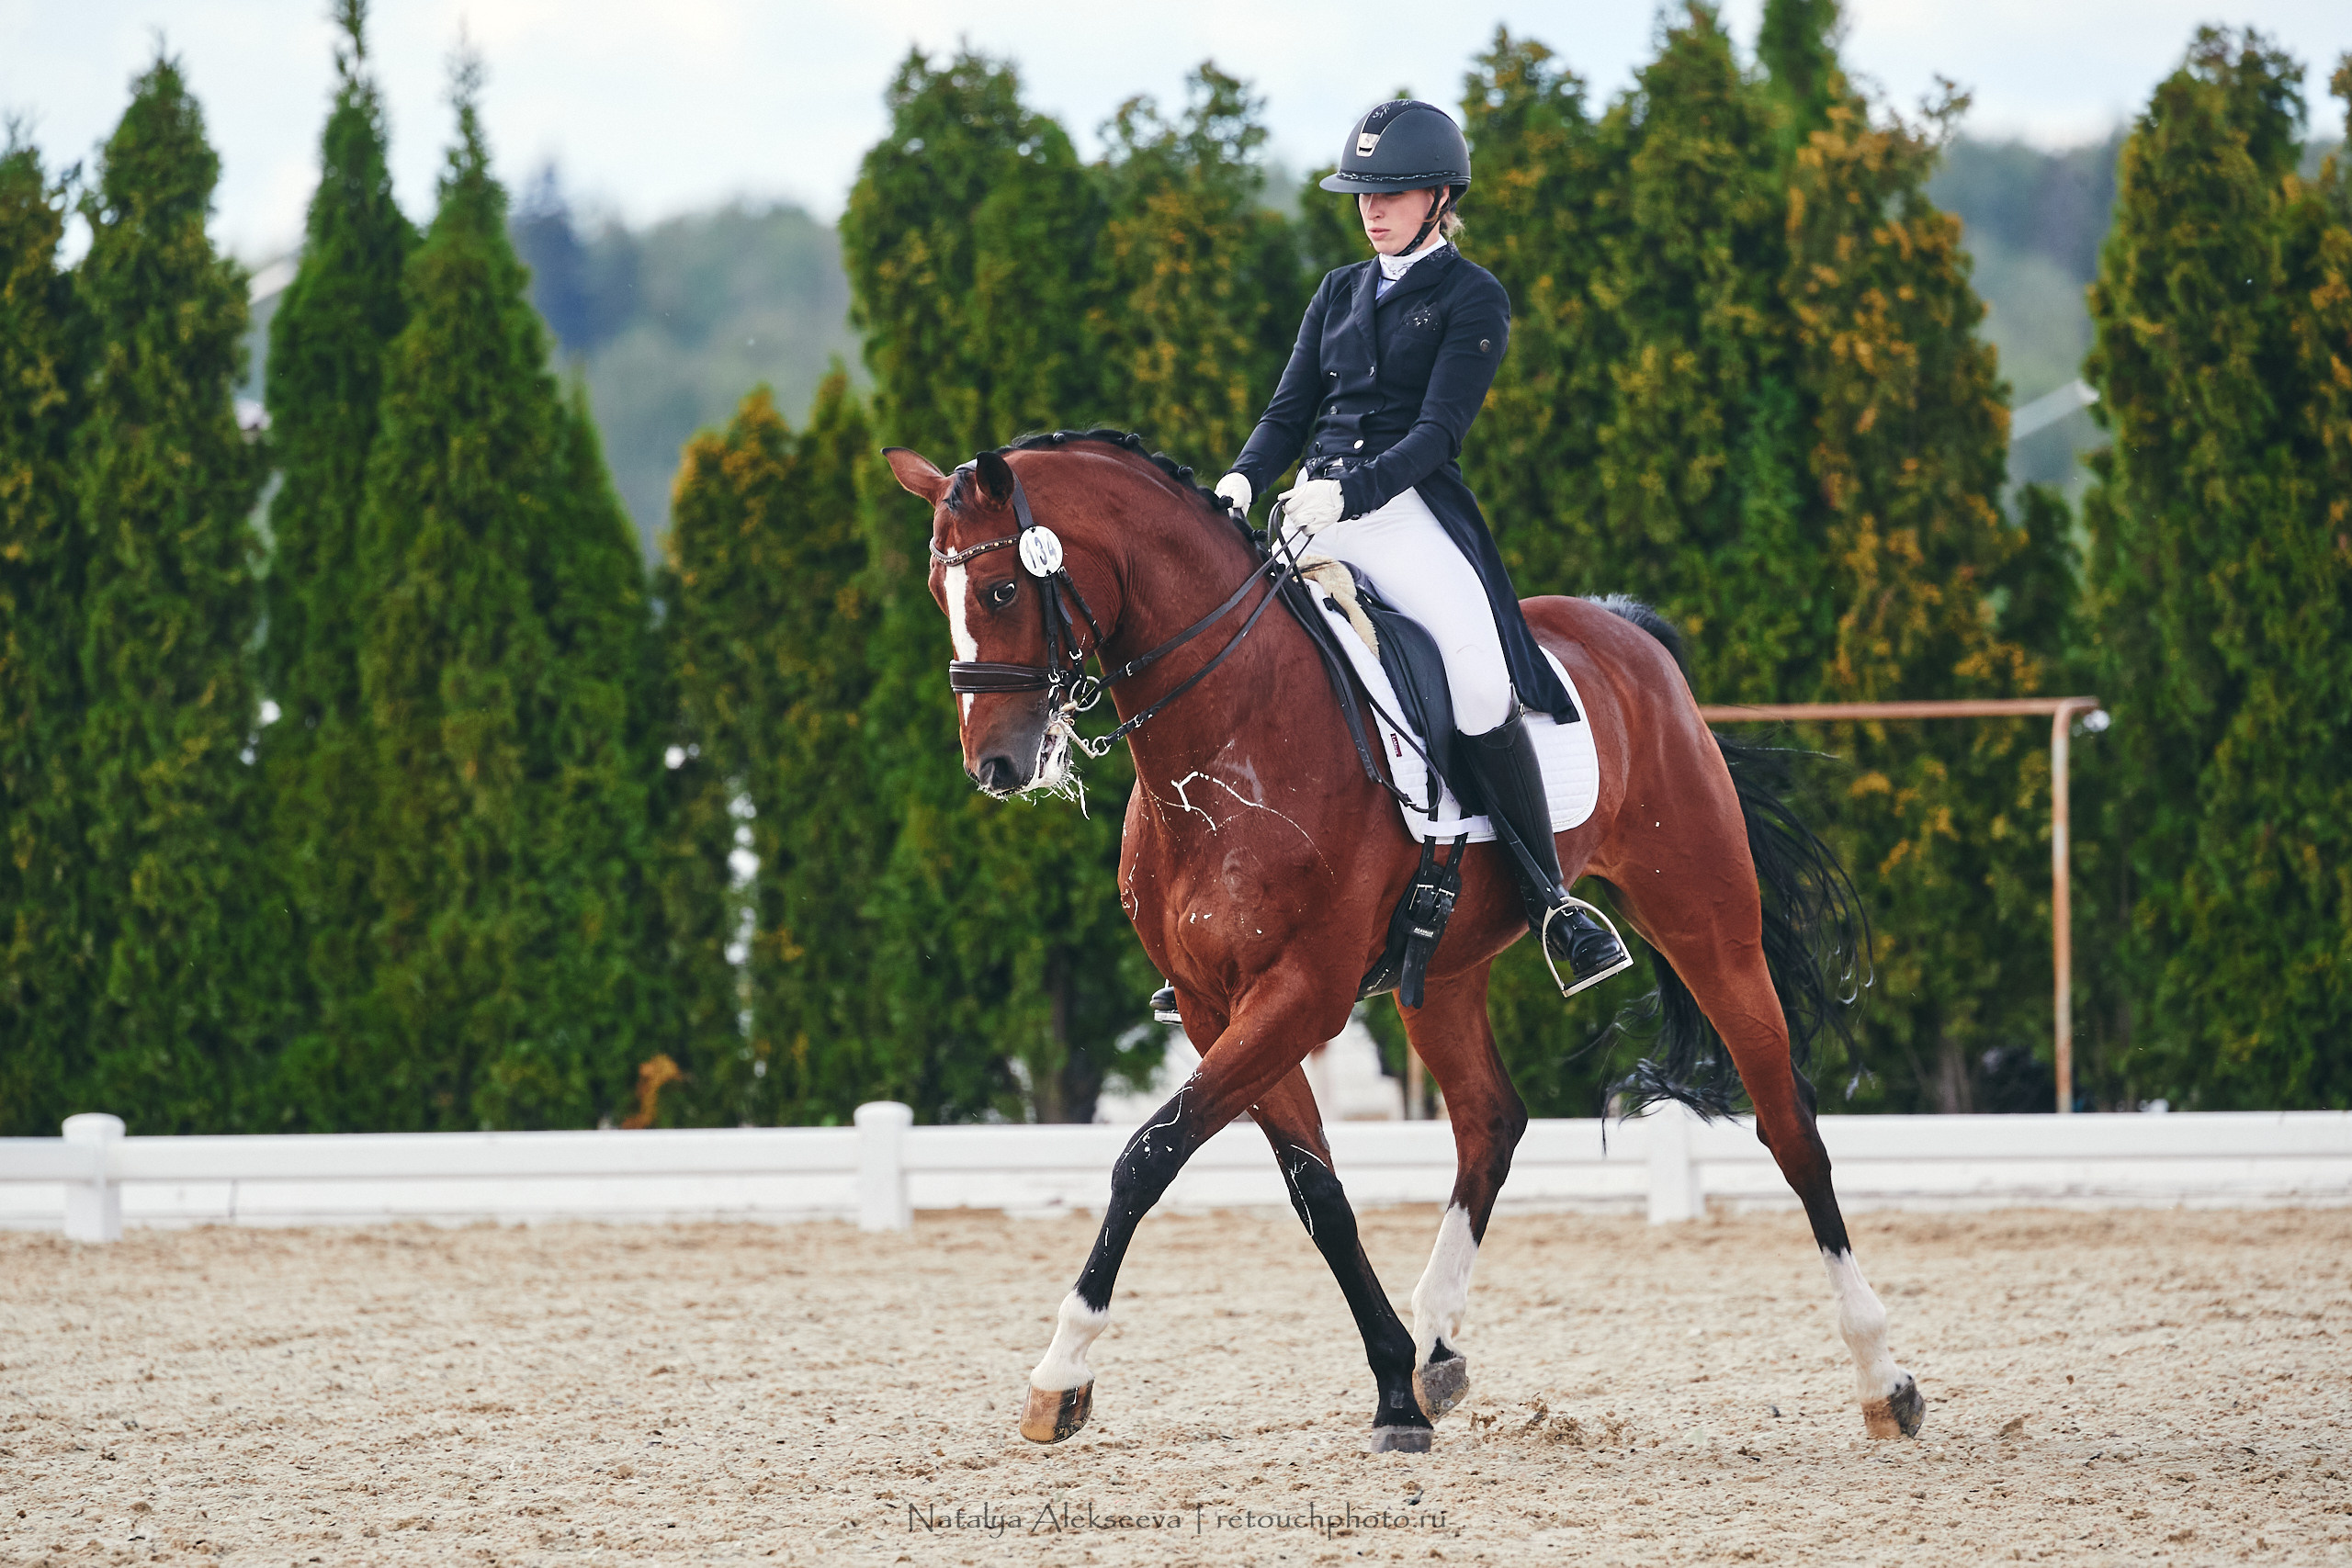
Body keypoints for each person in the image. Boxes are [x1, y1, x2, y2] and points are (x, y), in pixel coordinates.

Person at [1215, 98, 1632, 996]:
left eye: (1392, 192)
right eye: (1363, 192)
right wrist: (1245, 479)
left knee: (1480, 684)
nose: (1372, 208)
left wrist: (1347, 493)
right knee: (1234, 668)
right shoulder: (1336, 290)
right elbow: (1289, 411)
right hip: (1308, 513)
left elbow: (1438, 433)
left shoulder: (1470, 296)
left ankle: (1550, 899)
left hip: (1403, 514)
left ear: (1440, 196)